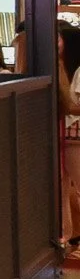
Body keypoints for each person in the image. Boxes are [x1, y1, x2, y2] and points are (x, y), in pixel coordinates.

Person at [58, 23, 80, 251]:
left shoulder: (78, 71)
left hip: (75, 137)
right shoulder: (65, 69)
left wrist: (64, 105)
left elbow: (77, 106)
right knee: (63, 189)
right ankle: (66, 236)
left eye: (60, 39)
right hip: (66, 137)